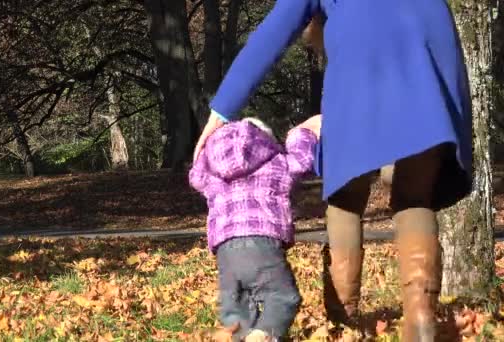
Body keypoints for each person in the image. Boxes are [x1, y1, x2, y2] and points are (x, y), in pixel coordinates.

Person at [193, 1, 472, 341]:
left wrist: (220, 111)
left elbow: (273, 33)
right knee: (415, 192)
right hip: (430, 30)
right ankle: (421, 324)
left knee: (345, 192)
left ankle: (342, 323)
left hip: (361, 41)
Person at [189, 115, 321, 341]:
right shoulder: (275, 162)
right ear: (265, 140)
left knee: (236, 308)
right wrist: (304, 132)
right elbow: (301, 161)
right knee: (280, 297)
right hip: (263, 241)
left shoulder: (214, 170)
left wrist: (204, 150)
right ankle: (261, 335)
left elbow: (196, 176)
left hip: (225, 249)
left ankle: (244, 335)